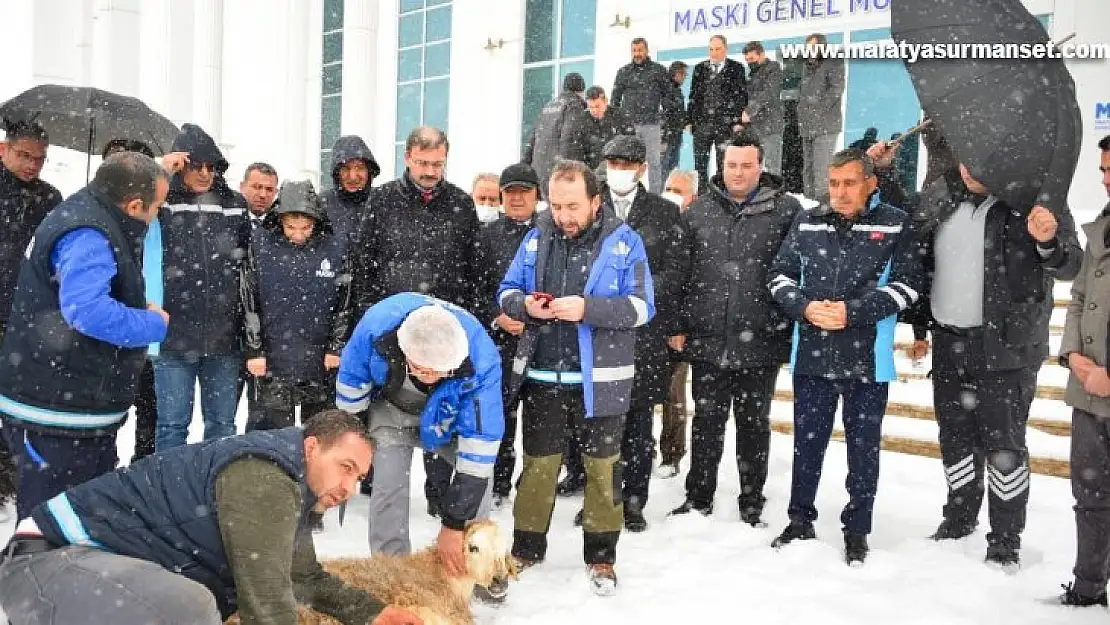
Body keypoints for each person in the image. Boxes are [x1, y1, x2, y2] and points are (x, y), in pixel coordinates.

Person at [0, 410, 423, 625]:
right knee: (192, 607)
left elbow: (304, 578)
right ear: (311, 448)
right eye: (345, 467)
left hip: (89, 574)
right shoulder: (265, 479)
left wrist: (373, 613)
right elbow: (268, 606)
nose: (349, 488)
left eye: (360, 478)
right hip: (48, 563)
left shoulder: (289, 484)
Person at [498, 159, 654, 595]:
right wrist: (524, 305)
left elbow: (642, 307)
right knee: (538, 469)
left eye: (573, 206)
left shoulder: (625, 243)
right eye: (557, 205)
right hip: (544, 378)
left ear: (595, 201)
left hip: (600, 383)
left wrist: (590, 309)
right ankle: (526, 548)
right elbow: (506, 291)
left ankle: (601, 557)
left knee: (603, 472)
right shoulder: (535, 239)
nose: (564, 215)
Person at [917, 158, 1080, 568]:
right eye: (963, 157)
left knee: (1004, 447)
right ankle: (958, 518)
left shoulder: (1034, 200)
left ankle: (1005, 538)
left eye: (981, 157)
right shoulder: (942, 196)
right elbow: (911, 244)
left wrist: (1047, 241)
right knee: (955, 437)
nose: (970, 167)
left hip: (1007, 350)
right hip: (949, 342)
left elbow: (1070, 264)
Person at [768, 148, 923, 565]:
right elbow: (778, 276)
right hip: (813, 356)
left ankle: (857, 530)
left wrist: (852, 313)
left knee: (863, 448)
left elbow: (909, 285)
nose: (840, 192)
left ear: (870, 182)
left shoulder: (894, 223)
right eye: (834, 183)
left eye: (849, 183)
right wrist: (803, 307)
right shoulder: (808, 221)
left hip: (868, 359)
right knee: (807, 444)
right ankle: (799, 518)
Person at [0, 152, 170, 521]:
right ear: (134, 204)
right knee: (50, 528)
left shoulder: (92, 212)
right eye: (157, 207)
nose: (157, 215)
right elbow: (87, 311)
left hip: (71, 405)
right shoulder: (89, 234)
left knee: (79, 524)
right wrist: (151, 323)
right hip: (54, 413)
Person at [350, 126, 483, 517]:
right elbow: (365, 265)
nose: (429, 171)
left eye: (437, 164)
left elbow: (473, 269)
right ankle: (386, 489)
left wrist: (466, 322)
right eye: (423, 163)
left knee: (441, 410)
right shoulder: (383, 200)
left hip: (445, 334)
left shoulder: (460, 204)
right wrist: (371, 319)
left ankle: (440, 497)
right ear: (407, 157)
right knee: (394, 413)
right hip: (394, 333)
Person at [669, 133, 800, 525]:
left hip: (760, 339)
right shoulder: (697, 212)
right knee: (706, 421)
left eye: (746, 165)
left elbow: (796, 271)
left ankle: (751, 499)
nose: (738, 173)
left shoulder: (786, 211)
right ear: (720, 166)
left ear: (760, 166)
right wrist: (677, 323)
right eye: (731, 165)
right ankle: (698, 497)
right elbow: (680, 272)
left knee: (753, 425)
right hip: (707, 338)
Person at [568, 136, 688, 532]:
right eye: (613, 161)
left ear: (641, 168)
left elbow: (676, 269)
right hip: (596, 332)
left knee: (637, 426)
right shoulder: (591, 207)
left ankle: (634, 501)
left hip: (642, 334)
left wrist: (636, 293)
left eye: (628, 162)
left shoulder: (664, 213)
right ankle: (599, 498)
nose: (620, 168)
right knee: (598, 425)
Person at [335, 293, 504, 561]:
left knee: (479, 486)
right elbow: (352, 385)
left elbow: (479, 452)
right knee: (388, 486)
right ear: (403, 352)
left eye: (440, 371)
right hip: (392, 412)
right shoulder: (376, 328)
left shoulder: (482, 360)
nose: (430, 377)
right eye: (421, 369)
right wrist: (349, 439)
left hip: (451, 418)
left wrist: (454, 525)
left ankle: (477, 565)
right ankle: (392, 569)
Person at [146, 123, 250, 452]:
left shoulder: (234, 204)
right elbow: (127, 209)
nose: (205, 173)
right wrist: (159, 171)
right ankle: (170, 495)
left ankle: (213, 491)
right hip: (174, 335)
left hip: (224, 338)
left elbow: (250, 262)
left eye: (212, 166)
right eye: (196, 166)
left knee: (222, 425)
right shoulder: (159, 201)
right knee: (172, 426)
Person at [242, 181, 351, 432]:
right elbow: (249, 299)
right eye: (291, 227)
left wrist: (336, 346)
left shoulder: (334, 246)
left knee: (320, 434)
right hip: (273, 353)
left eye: (306, 227)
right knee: (272, 433)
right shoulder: (261, 244)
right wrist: (254, 348)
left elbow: (344, 300)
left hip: (319, 355)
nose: (298, 234)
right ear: (280, 220)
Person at [1056, 133, 1110, 607]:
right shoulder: (1099, 232)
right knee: (1090, 499)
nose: (1108, 181)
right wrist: (1073, 357)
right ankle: (1088, 587)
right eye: (1104, 173)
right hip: (1088, 392)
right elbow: (1077, 298)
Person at [0, 120, 63, 514]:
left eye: (40, 159)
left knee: (15, 402)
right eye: (24, 155)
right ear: (3, 150)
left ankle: (10, 479)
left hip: (25, 314)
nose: (32, 165)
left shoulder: (49, 198)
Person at [473, 163, 543, 509]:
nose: (516, 199)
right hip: (498, 341)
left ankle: (533, 486)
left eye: (524, 192)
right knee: (499, 414)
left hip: (542, 341)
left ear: (537, 196)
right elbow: (475, 285)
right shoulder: (486, 236)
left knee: (540, 419)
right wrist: (496, 315)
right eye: (510, 192)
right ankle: (498, 482)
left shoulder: (550, 233)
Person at [98, 139, 161, 464]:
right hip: (106, 336)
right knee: (101, 412)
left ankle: (141, 471)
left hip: (147, 335)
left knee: (150, 411)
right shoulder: (90, 220)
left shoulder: (156, 214)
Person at [657, 169, 698, 479]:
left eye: (678, 190)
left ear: (691, 197)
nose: (671, 193)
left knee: (674, 395)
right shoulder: (656, 224)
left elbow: (691, 281)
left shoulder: (695, 228)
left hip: (679, 326)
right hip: (650, 324)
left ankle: (672, 453)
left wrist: (680, 325)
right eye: (668, 187)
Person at [611, 38, 678, 193]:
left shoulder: (658, 70)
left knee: (654, 163)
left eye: (640, 50)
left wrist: (666, 120)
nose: (637, 54)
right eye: (634, 50)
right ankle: (628, 193)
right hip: (629, 127)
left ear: (647, 51)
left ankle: (655, 197)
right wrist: (617, 122)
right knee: (628, 161)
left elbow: (667, 97)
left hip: (651, 125)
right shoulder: (623, 72)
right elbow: (615, 99)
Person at [688, 35, 748, 194]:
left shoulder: (737, 68)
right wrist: (691, 121)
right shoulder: (700, 69)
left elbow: (741, 97)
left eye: (718, 49)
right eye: (711, 49)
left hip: (726, 125)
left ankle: (721, 196)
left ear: (725, 49)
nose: (714, 53)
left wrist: (737, 121)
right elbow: (694, 97)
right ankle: (701, 197)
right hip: (703, 124)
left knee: (724, 163)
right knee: (700, 165)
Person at [523, 73, 593, 198]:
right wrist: (570, 172)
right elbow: (570, 140)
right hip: (557, 173)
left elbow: (532, 141)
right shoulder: (574, 105)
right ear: (581, 90)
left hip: (540, 172)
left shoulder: (548, 106)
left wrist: (524, 170)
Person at [798, 33, 846, 200]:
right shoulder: (806, 66)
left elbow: (836, 89)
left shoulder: (833, 62)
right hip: (807, 125)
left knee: (822, 169)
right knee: (808, 169)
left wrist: (817, 109)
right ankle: (809, 204)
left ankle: (822, 206)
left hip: (825, 125)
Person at [320, 135, 381, 248]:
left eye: (360, 168)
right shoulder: (320, 205)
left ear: (369, 171)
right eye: (345, 168)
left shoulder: (382, 202)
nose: (352, 177)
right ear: (337, 172)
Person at [741, 41, 785, 174]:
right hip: (753, 128)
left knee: (772, 168)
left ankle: (773, 194)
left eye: (752, 58)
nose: (750, 62)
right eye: (747, 60)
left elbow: (769, 93)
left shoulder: (774, 69)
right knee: (753, 167)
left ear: (762, 55)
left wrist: (749, 112)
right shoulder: (751, 74)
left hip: (770, 126)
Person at [584, 86, 636, 170]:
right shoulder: (583, 119)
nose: (594, 110)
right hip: (591, 168)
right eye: (590, 107)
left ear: (605, 102)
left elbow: (630, 141)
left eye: (597, 106)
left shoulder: (619, 116)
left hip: (615, 166)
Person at [660, 61, 688, 182]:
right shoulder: (665, 89)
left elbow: (678, 113)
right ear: (677, 73)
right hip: (667, 136)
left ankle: (668, 195)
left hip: (675, 135)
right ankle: (660, 197)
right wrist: (664, 138)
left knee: (672, 169)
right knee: (664, 169)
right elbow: (665, 113)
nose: (684, 78)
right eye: (684, 75)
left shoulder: (676, 90)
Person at [240, 161, 279, 229]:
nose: (263, 195)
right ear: (242, 187)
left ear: (276, 192)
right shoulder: (227, 222)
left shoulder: (284, 226)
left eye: (269, 189)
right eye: (257, 187)